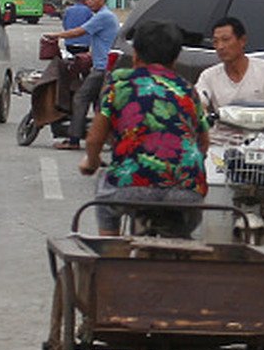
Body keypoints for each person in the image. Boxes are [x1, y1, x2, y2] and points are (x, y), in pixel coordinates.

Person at [76, 19, 208, 235]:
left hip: (132, 187)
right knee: (183, 227)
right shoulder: (188, 90)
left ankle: (111, 256)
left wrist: (91, 162)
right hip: (187, 192)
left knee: (105, 204)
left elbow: (94, 139)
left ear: (135, 54)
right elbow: (204, 142)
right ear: (175, 60)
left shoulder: (120, 83)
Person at [195, 15, 264, 143]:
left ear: (242, 41)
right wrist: (203, 115)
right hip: (221, 144)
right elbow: (199, 103)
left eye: (226, 40)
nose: (220, 46)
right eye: (215, 41)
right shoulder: (208, 76)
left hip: (263, 145)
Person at [50, 0, 119, 150]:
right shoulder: (104, 16)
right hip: (101, 65)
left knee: (80, 99)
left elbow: (79, 31)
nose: (89, 2)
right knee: (100, 105)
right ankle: (104, 136)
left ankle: (74, 139)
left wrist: (56, 36)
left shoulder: (103, 16)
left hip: (101, 69)